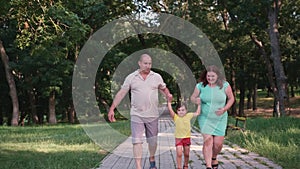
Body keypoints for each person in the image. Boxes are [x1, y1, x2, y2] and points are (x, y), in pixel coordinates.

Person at [108, 54, 172, 169]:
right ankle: (138, 166)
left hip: (152, 114)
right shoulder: (131, 77)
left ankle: (152, 158)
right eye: (145, 63)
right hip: (136, 114)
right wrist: (112, 108)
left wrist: (168, 95)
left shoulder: (156, 76)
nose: (148, 66)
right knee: (137, 141)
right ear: (139, 63)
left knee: (152, 141)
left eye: (150, 63)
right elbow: (121, 93)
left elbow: (163, 88)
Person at [190, 65, 235, 169]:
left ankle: (214, 157)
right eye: (208, 76)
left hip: (220, 118)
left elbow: (231, 98)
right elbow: (192, 97)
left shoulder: (225, 85)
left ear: (217, 76)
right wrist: (195, 100)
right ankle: (209, 166)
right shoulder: (200, 86)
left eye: (212, 76)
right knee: (208, 140)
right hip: (205, 118)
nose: (210, 78)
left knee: (218, 144)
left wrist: (224, 109)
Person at [167, 96, 200, 169]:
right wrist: (169, 102)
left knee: (187, 154)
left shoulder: (189, 115)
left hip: (187, 138)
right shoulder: (176, 117)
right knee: (179, 153)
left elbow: (197, 113)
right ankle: (179, 167)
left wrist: (199, 104)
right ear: (177, 111)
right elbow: (170, 110)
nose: (181, 112)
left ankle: (186, 165)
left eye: (183, 110)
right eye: (179, 110)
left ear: (186, 110)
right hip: (178, 138)